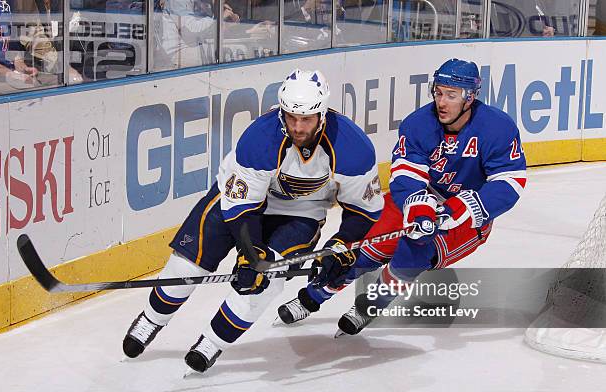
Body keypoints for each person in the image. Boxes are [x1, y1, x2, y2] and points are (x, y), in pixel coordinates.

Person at [122, 69, 384, 372]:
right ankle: (151, 319)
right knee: (188, 264)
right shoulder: (259, 138)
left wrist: (341, 244)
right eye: (290, 117)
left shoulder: (353, 149)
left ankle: (212, 342)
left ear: (322, 114)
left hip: (301, 212)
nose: (297, 127)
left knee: (266, 282)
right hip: (240, 201)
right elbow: (241, 208)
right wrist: (251, 253)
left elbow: (364, 211)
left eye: (306, 119)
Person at [277, 58, 527, 336]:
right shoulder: (419, 123)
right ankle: (314, 296)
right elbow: (406, 173)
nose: (441, 102)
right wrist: (421, 209)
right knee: (362, 251)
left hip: (467, 215)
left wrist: (456, 210)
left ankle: (369, 305)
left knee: (411, 257)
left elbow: (509, 182)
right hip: (417, 200)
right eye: (438, 92)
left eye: (451, 95)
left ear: (470, 97)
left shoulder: (497, 127)